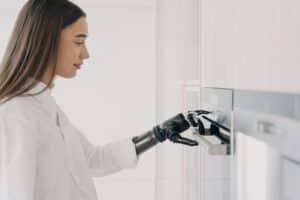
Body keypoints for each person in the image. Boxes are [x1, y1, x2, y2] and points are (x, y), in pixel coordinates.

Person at [0, 0, 201, 200]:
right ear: (46, 40)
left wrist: (158, 133)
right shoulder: (16, 115)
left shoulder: (44, 106)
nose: (86, 54)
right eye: (79, 42)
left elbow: (91, 160)